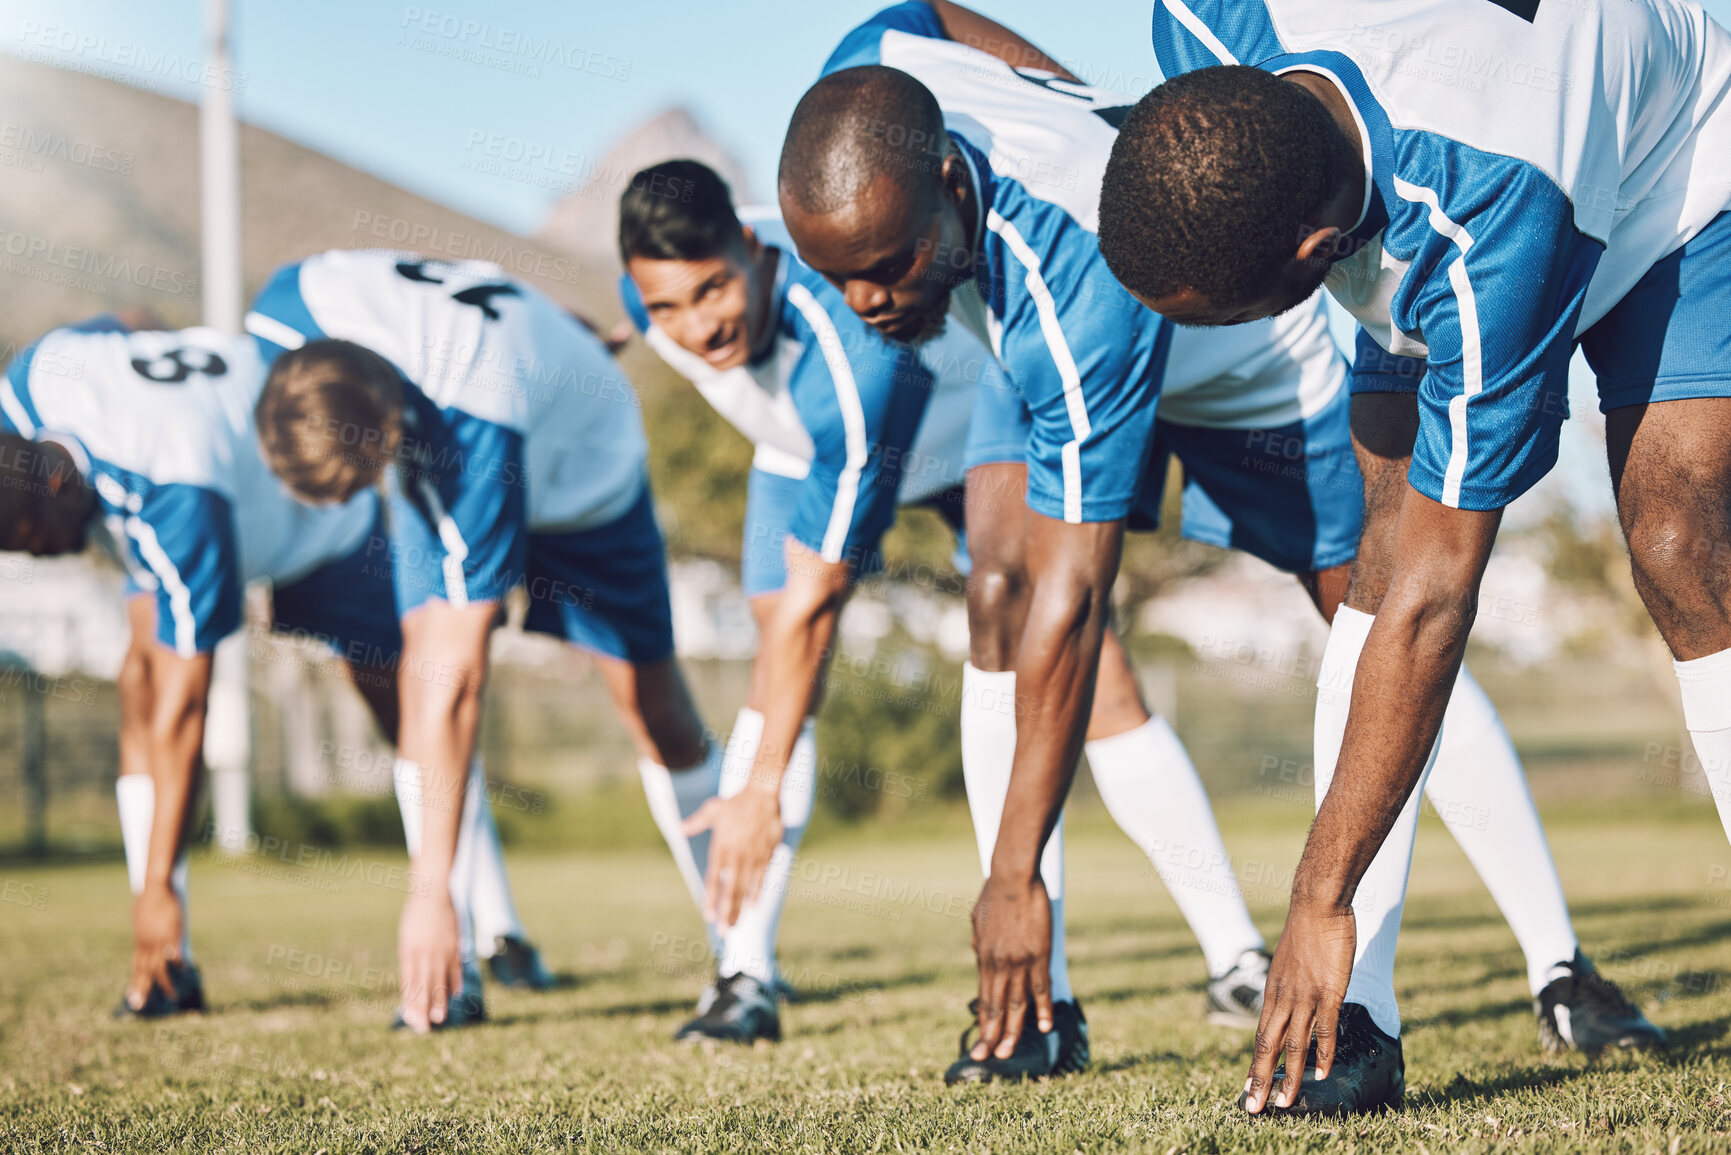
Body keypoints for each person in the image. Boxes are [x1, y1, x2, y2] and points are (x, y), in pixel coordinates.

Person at [781, 0, 1664, 1091]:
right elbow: (929, 12)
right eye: (837, 276)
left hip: (1251, 361)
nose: (865, 301)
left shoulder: (1075, 275)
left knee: (1376, 610)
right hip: (1049, 334)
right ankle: (1030, 1009)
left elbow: (1080, 600)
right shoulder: (866, 84)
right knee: (995, 591)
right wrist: (1081, 103)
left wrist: (1014, 876)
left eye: (890, 261)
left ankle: (1558, 961)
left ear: (953, 187)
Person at [1093, 0, 1731, 1115]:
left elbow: (1443, 600)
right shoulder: (1207, 25)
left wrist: (1314, 895)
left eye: (1233, 314)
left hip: (1674, 176)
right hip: (1441, 157)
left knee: (1679, 543)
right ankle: (1358, 1022)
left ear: (1315, 251)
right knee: (1374, 544)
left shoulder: (1494, 218)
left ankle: (1343, 945)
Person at [619, 159, 1282, 1065]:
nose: (697, 328)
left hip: (957, 438)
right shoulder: (650, 286)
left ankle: (1236, 955)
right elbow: (653, 312)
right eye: (667, 309)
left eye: (711, 293)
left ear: (754, 251)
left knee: (1095, 683)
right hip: (801, 455)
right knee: (776, 662)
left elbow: (817, 610)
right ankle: (745, 977)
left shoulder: (848, 359)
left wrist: (759, 785)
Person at [0, 311, 551, 1018]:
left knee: (413, 713)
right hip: (189, 486)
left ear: (53, 486)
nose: (36, 554)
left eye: (28, 537)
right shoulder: (30, 383)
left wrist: (157, 890)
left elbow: (187, 710)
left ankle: (495, 930)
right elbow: (128, 322)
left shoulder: (174, 488)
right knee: (138, 680)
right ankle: (170, 968)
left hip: (318, 523)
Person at [245, 250, 727, 1034]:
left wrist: (424, 891)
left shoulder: (470, 433)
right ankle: (455, 972)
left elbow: (461, 673)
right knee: (415, 681)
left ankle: (740, 955)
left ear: (395, 428)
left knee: (650, 708)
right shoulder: (280, 307)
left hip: (583, 471)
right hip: (487, 396)